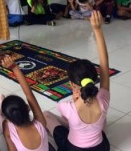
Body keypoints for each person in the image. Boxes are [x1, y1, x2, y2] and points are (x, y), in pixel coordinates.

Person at [43, 11, 110, 151]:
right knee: (102, 119)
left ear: (72, 84)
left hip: (73, 149)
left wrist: (75, 100)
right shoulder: (104, 100)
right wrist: (97, 30)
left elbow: (70, 118)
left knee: (46, 116)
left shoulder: (66, 107)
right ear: (94, 79)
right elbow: (105, 64)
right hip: (101, 148)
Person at [0, 55, 52, 151]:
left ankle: (1, 104)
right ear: (27, 107)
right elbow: (29, 95)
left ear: (10, 120)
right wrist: (15, 68)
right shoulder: (40, 124)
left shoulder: (7, 127)